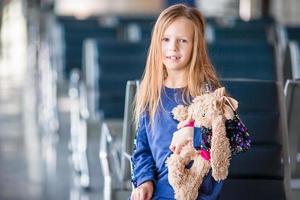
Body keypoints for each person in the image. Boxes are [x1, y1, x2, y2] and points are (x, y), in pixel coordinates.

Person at [130, 4, 250, 200]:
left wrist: (194, 135)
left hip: (198, 193)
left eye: (183, 41)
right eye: (166, 39)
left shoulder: (209, 92)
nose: (173, 47)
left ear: (195, 46)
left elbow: (237, 139)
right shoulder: (151, 93)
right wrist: (144, 181)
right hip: (159, 192)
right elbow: (141, 149)